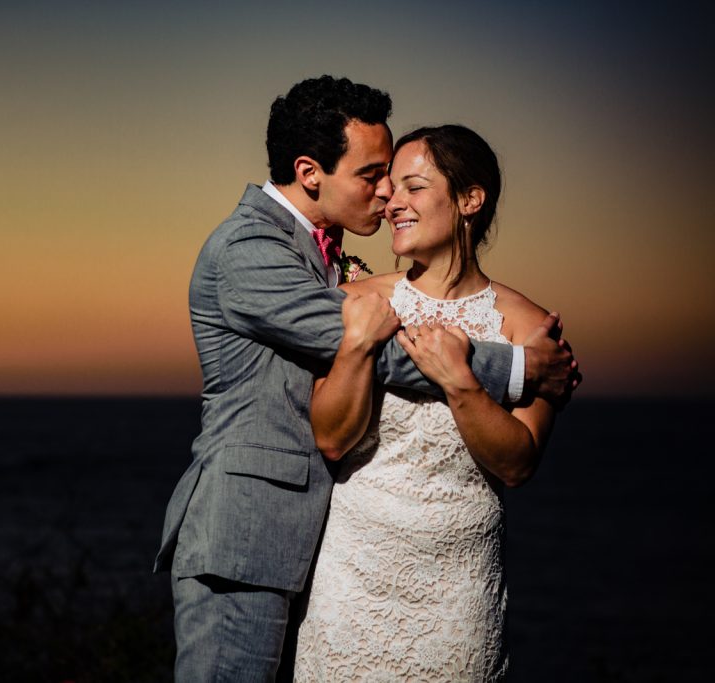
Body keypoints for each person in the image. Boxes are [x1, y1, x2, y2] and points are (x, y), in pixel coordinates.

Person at [154, 77, 578, 682]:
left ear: (470, 200)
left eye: (403, 181)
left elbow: (516, 462)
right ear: (310, 172)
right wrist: (516, 367)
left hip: (353, 560)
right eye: (373, 175)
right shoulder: (250, 250)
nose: (385, 195)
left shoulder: (329, 259)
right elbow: (377, 352)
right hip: (246, 541)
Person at [293, 124, 558, 680]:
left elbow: (517, 463)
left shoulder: (529, 328)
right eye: (391, 189)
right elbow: (332, 437)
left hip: (457, 598)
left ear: (470, 199)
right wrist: (359, 346)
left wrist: (461, 382)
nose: (393, 203)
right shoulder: (355, 301)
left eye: (414, 187)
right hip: (351, 585)